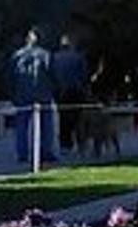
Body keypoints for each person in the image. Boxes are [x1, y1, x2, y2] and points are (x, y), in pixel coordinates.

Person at [8, 29, 56, 165]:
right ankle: (46, 152)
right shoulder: (45, 55)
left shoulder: (16, 55)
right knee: (46, 125)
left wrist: (13, 94)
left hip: (22, 94)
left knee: (21, 125)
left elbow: (10, 77)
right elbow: (52, 74)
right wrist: (53, 90)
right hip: (43, 93)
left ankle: (22, 154)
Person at [51, 34, 89, 152]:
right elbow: (84, 75)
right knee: (78, 118)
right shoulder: (78, 57)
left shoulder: (54, 58)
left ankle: (65, 144)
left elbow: (51, 75)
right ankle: (80, 142)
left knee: (63, 118)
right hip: (76, 91)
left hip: (61, 92)